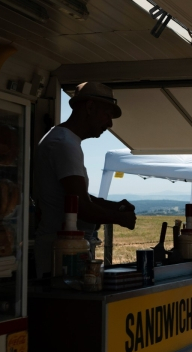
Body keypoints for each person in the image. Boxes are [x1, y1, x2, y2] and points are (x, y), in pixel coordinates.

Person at [34, 82, 137, 278]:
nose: (110, 124)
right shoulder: (64, 144)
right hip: (61, 256)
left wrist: (114, 206)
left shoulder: (63, 140)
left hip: (65, 251)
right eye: (107, 115)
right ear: (89, 107)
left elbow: (73, 196)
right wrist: (120, 217)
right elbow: (81, 206)